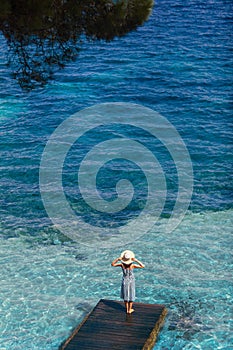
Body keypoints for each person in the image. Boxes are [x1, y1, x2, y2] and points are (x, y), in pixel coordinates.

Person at [111, 250, 145, 314]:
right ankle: (129, 310)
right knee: (131, 295)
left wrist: (118, 259)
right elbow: (142, 266)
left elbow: (112, 264)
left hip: (124, 280)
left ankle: (127, 309)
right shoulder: (132, 266)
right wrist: (136, 260)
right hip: (131, 281)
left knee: (126, 294)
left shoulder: (122, 265)